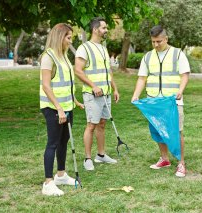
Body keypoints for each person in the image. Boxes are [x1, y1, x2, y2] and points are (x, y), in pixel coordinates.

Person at [131, 25, 190, 178]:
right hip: (153, 101)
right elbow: (142, 78)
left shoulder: (178, 54)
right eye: (153, 42)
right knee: (158, 130)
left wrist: (180, 91)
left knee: (176, 131)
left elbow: (184, 75)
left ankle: (181, 163)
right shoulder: (148, 57)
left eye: (159, 41)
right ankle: (164, 159)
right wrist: (136, 94)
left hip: (172, 101)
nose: (156, 45)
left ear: (166, 39)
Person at [39, 23, 84, 196]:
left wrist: (75, 101)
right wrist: (58, 108)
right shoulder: (48, 57)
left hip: (67, 107)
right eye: (68, 38)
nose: (70, 41)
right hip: (53, 108)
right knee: (53, 142)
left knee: (63, 141)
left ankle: (61, 174)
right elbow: (46, 85)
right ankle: (48, 182)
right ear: (59, 37)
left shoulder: (64, 56)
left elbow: (67, 84)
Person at [74, 17, 120, 171]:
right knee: (91, 126)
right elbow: (78, 71)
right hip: (92, 94)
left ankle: (100, 155)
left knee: (102, 124)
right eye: (104, 28)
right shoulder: (84, 48)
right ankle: (87, 158)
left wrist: (115, 89)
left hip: (106, 93)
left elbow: (108, 71)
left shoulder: (103, 48)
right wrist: (93, 86)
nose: (106, 30)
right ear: (95, 30)